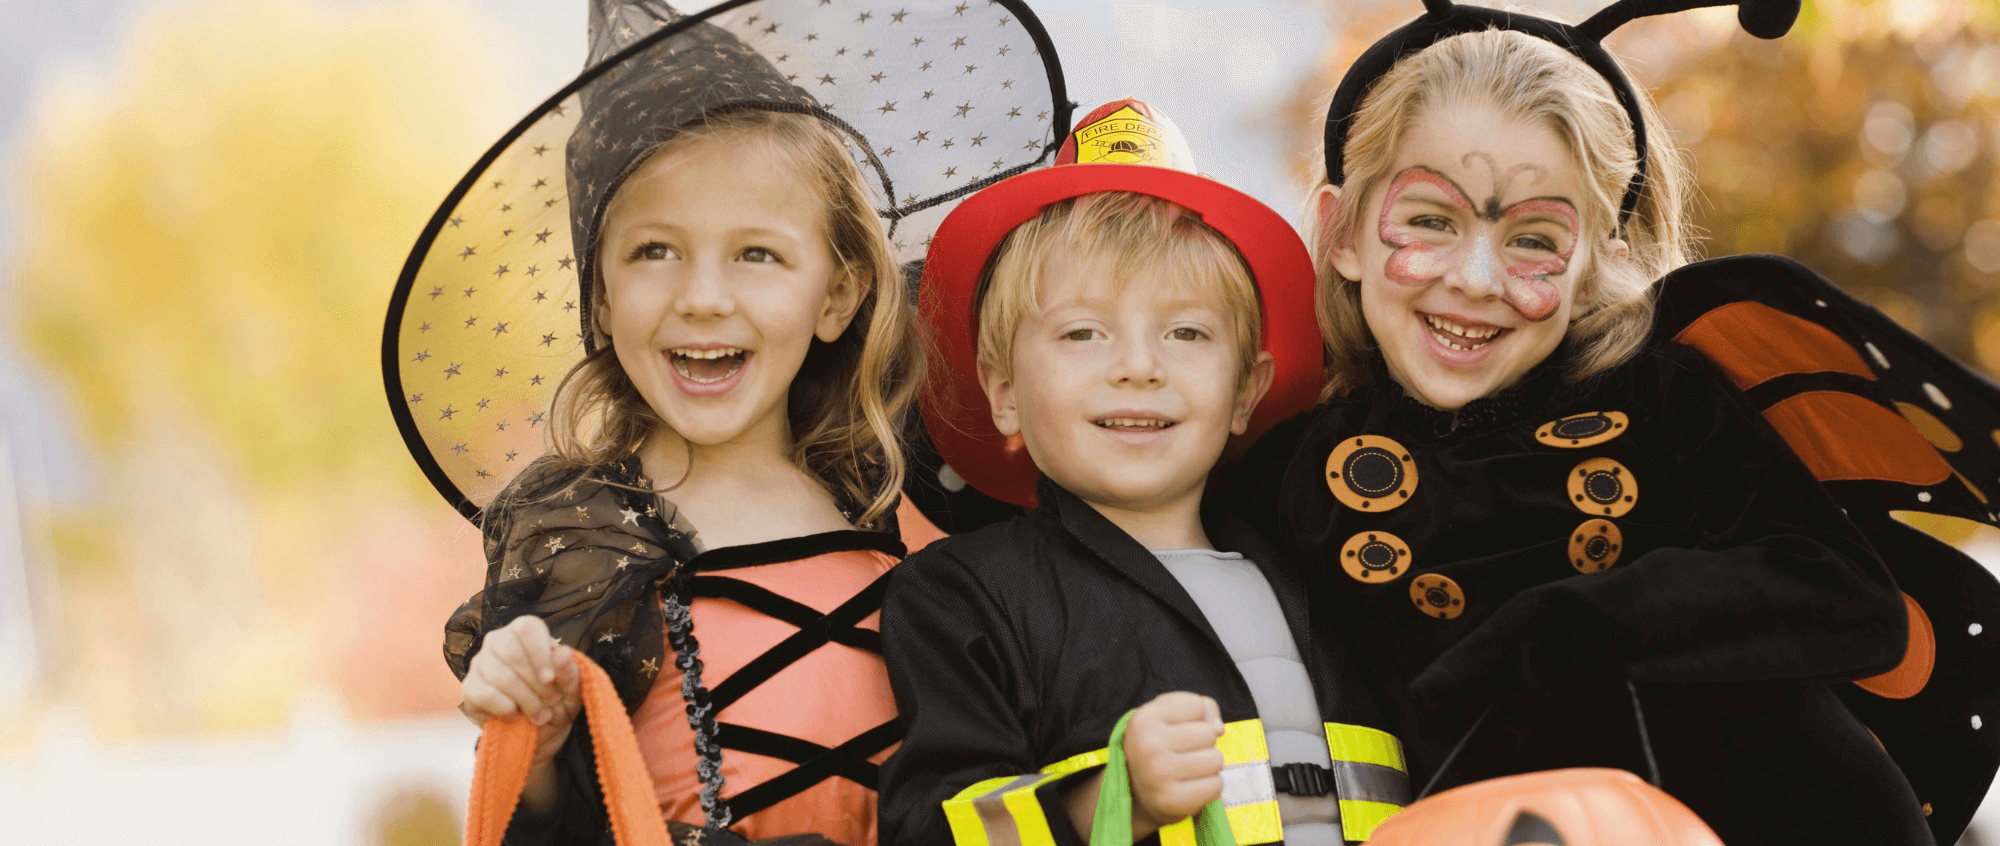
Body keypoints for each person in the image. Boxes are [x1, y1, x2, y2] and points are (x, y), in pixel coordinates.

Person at [1234, 1, 1939, 843]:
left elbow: (1855, 601)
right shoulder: (1286, 474)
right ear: (1342, 232)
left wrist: (1572, 625)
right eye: (1430, 221)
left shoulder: (1660, 397)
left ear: (1601, 256)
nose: (1477, 279)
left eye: (1535, 238)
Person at [379, 2, 1071, 843]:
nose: (703, 296)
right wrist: (541, 747)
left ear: (838, 294)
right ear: (601, 298)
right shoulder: (586, 541)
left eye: (757, 253)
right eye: (654, 251)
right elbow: (553, 826)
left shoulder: (900, 498)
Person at [879, 99, 1410, 846]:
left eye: (1186, 332)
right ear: (1004, 394)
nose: (1137, 367)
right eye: (1082, 332)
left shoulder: (1330, 566)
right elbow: (924, 831)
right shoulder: (962, 596)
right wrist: (1100, 800)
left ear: (1246, 391)